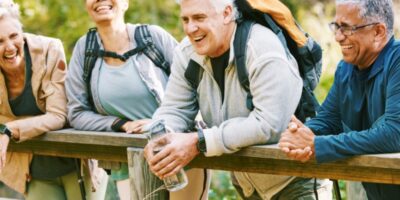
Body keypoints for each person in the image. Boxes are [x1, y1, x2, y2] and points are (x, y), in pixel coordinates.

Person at [144, 0, 332, 199]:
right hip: (247, 184)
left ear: (227, 13)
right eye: (185, 19)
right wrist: (162, 134)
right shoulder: (186, 53)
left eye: (199, 18)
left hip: (296, 180)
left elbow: (268, 125)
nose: (190, 28)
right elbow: (174, 108)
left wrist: (198, 142)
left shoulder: (262, 48)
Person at [278, 0, 400, 199]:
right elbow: (329, 119)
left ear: (378, 32)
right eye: (336, 26)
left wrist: (318, 145)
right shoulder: (346, 69)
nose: (337, 37)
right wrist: (301, 134)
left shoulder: (398, 61)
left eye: (347, 28)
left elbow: (394, 134)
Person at [65, 0, 178, 199]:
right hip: (130, 165)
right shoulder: (85, 50)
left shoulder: (153, 37)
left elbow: (195, 84)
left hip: (178, 152)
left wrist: (162, 122)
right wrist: (120, 124)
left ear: (126, 3)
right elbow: (77, 113)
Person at [0, 0, 107, 199]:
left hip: (76, 165)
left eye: (14, 36)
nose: (9, 47)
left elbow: (58, 115)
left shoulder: (49, 49)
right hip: (35, 171)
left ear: (22, 33)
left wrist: (10, 130)